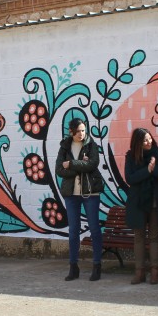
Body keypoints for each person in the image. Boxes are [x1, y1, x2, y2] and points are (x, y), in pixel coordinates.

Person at [55, 119, 105, 282]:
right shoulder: (64, 146)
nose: (82, 134)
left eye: (83, 130)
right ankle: (73, 267)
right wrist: (78, 167)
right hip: (71, 194)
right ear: (71, 132)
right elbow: (59, 170)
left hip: (90, 192)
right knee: (73, 230)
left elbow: (92, 164)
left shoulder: (92, 145)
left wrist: (71, 164)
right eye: (78, 131)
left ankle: (97, 265)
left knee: (94, 228)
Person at [123, 128, 158, 285]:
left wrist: (154, 169)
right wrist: (147, 170)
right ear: (138, 142)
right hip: (138, 201)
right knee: (138, 238)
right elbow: (130, 178)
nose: (149, 142)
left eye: (149, 138)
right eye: (145, 140)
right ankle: (139, 272)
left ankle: (155, 272)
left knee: (153, 237)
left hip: (155, 201)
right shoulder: (131, 156)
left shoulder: (157, 153)